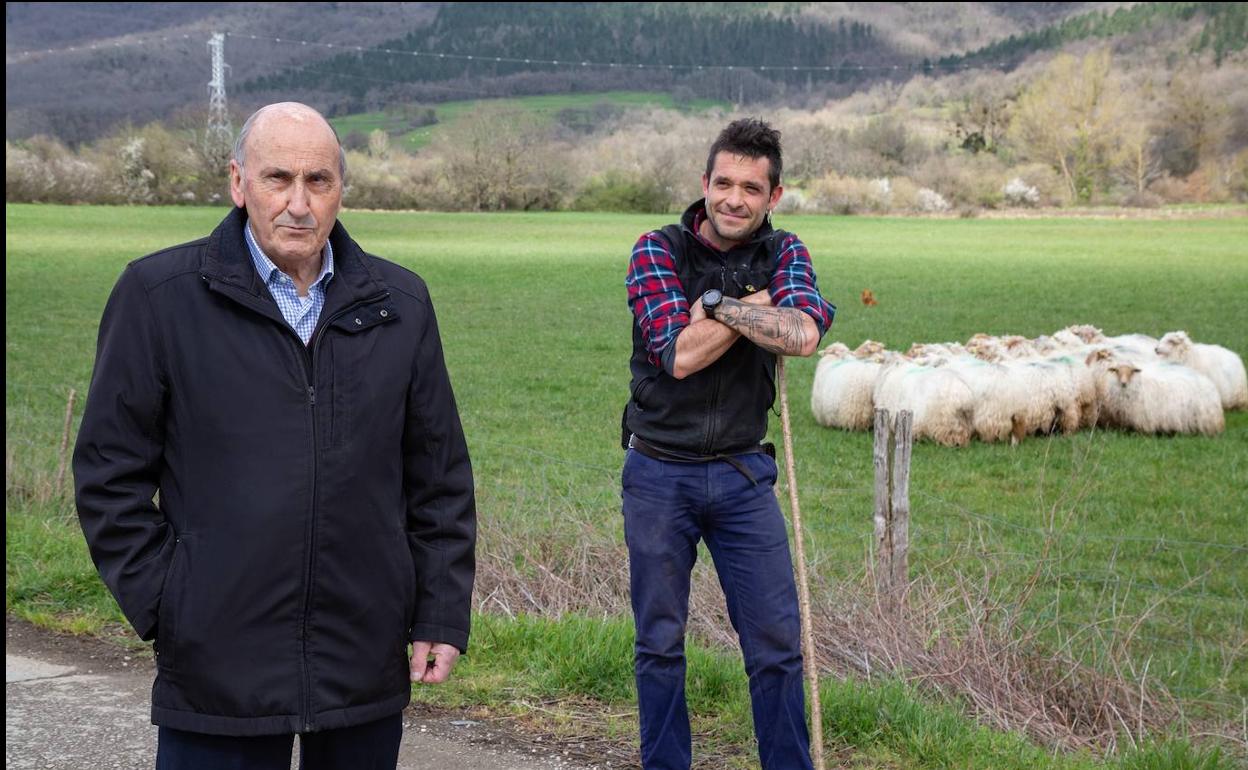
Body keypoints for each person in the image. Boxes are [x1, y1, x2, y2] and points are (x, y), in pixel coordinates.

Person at [73, 102, 476, 769]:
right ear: (239, 183)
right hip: (216, 670)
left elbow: (438, 477)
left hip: (361, 660)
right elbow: (107, 475)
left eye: (318, 181)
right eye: (277, 179)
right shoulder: (159, 296)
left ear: (341, 189)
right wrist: (172, 605)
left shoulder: (399, 306)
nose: (298, 203)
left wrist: (437, 611)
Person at [621, 118, 836, 769]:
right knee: (659, 642)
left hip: (745, 477)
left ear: (774, 196)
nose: (733, 199)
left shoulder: (786, 251)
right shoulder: (656, 249)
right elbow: (678, 355)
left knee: (775, 644)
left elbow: (801, 336)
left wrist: (714, 306)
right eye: (723, 183)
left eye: (751, 187)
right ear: (703, 183)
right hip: (659, 472)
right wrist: (755, 308)